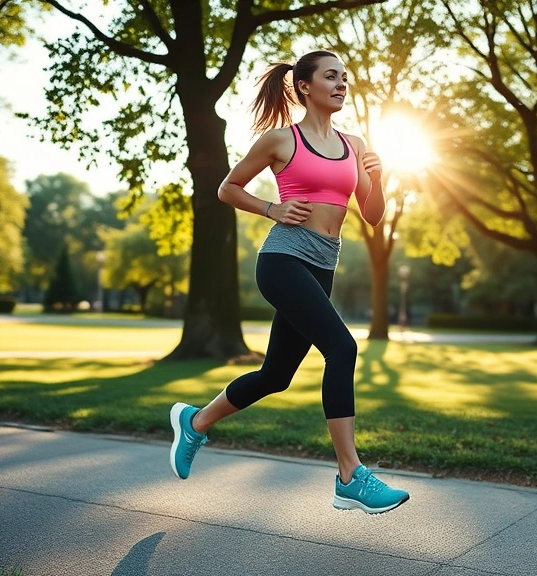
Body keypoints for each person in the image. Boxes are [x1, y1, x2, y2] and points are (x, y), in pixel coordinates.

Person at [168, 50, 410, 515]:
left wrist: (379, 181)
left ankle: (195, 421)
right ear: (304, 86)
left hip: (323, 265)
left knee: (276, 375)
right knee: (342, 348)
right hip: (283, 259)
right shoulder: (281, 139)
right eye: (331, 77)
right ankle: (350, 475)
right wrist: (271, 209)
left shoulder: (354, 144)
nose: (342, 85)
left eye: (345, 78)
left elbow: (374, 217)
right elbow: (227, 187)